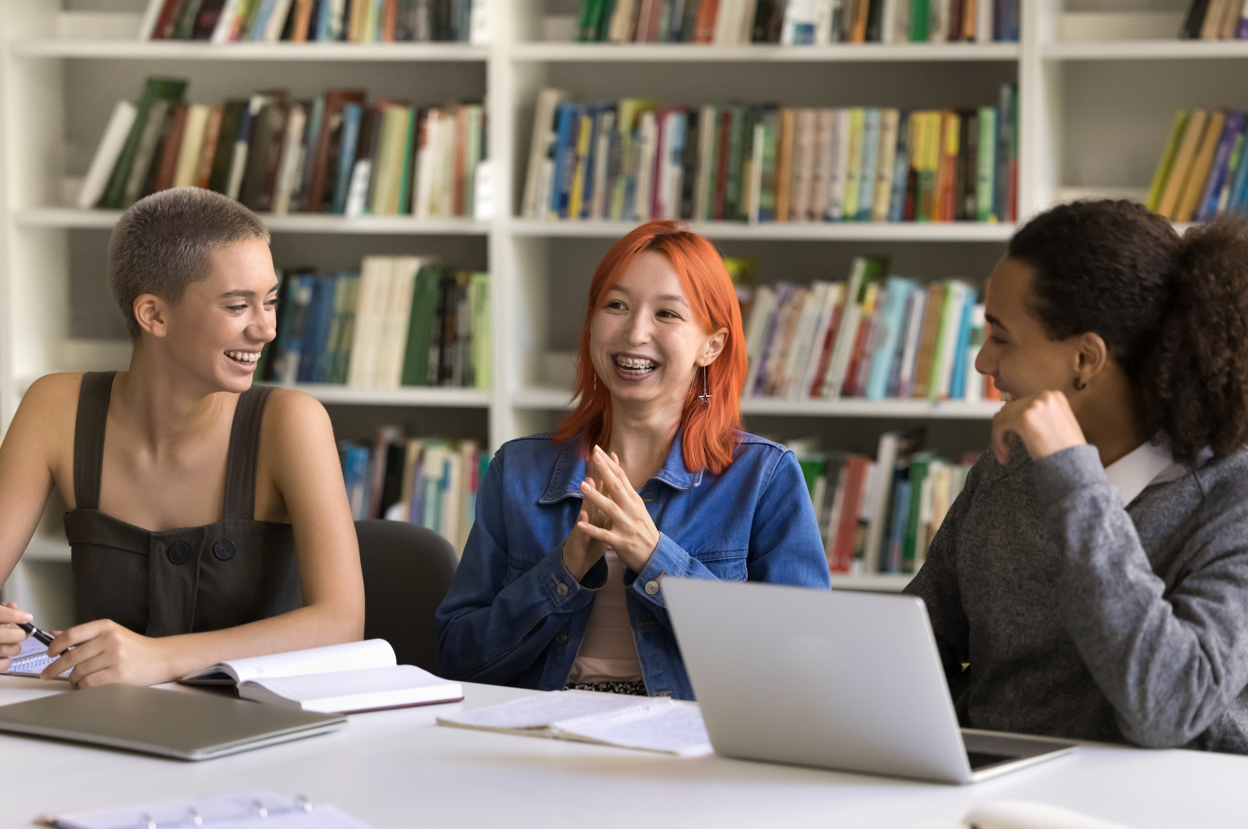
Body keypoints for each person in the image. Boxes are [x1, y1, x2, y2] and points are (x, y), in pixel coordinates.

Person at [435, 220, 830, 699]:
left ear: (711, 345)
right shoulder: (517, 470)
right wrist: (564, 569)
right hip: (543, 727)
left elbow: (802, 668)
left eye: (667, 313)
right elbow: (457, 658)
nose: (635, 332)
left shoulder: (763, 477)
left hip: (685, 735)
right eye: (616, 305)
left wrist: (655, 558)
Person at [906, 199, 1248, 753]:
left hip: (1153, 796)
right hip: (991, 783)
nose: (983, 363)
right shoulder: (1010, 467)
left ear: (1086, 359)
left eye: (1001, 337)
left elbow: (1168, 709)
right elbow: (923, 637)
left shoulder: (1233, 497)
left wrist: (1073, 479)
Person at [0, 187, 364, 688]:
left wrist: (160, 657)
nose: (266, 329)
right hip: (110, 717)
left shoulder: (291, 422)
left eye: (270, 302)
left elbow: (342, 624)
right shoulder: (55, 408)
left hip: (267, 719)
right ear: (154, 315)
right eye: (237, 305)